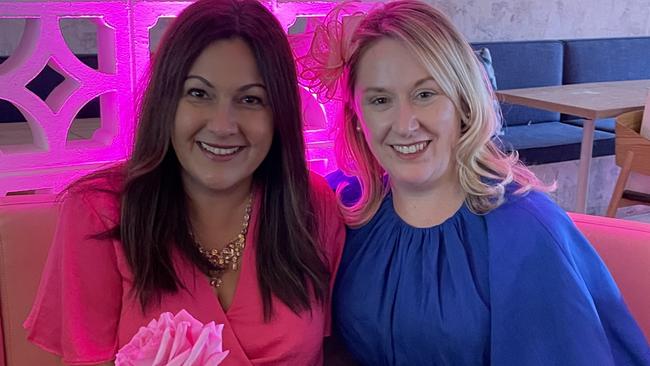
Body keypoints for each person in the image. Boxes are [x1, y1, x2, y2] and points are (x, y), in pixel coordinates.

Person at [298, 1, 650, 364]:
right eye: (380, 100)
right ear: (357, 117)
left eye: (425, 94)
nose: (404, 124)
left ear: (463, 102)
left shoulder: (525, 230)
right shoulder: (345, 209)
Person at [24, 0, 345, 364]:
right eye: (198, 94)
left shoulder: (313, 205)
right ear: (166, 101)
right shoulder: (99, 212)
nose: (223, 125)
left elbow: (333, 350)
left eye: (251, 99)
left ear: (280, 114)